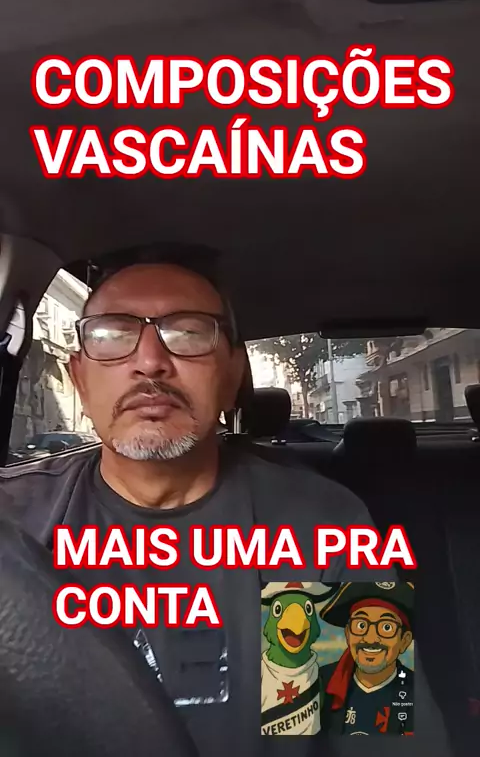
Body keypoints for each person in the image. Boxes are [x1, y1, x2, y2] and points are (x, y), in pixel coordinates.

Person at [0, 255, 451, 757]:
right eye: (111, 335)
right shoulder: (14, 524)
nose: (149, 362)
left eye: (189, 333)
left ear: (233, 375)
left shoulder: (321, 523)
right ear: (79, 377)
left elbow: (380, 732)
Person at [319, 581, 414, 736]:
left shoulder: (421, 695)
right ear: (348, 634)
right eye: (361, 625)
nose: (370, 638)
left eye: (386, 627)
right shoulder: (319, 684)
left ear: (404, 641)